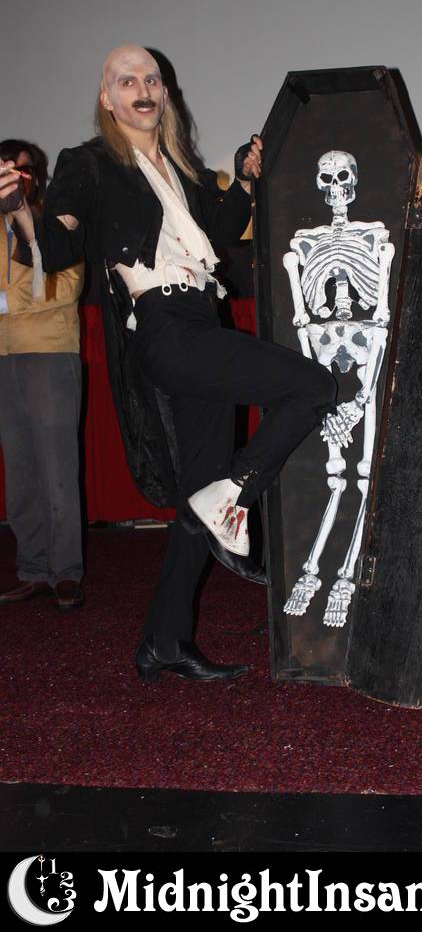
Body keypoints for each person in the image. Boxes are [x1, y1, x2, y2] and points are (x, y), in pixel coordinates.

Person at [0, 44, 337, 683]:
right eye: (127, 81)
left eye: (152, 79)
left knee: (197, 494)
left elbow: (222, 228)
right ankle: (235, 497)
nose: (143, 89)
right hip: (163, 328)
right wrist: (17, 211)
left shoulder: (182, 167)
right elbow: (58, 245)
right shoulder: (90, 164)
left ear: (165, 93)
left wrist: (246, 178)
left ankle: (164, 640)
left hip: (201, 321)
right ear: (108, 99)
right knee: (313, 386)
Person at [0, 139, 85, 611]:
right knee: (20, 471)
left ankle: (66, 571)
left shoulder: (56, 222)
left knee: (57, 470)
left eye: (22, 169)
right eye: (4, 169)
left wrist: (7, 303)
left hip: (49, 353)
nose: (13, 177)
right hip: (3, 357)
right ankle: (32, 568)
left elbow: (63, 287)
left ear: (37, 176)